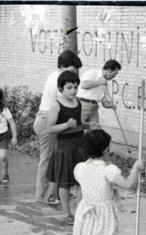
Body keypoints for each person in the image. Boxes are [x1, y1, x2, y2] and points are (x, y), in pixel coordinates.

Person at [64, 129, 144, 235]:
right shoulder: (109, 170)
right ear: (106, 149)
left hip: (84, 213)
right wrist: (136, 169)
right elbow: (128, 184)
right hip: (103, 214)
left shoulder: (79, 168)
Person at [33, 50, 82, 205]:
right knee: (46, 159)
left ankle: (56, 193)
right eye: (72, 70)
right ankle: (42, 196)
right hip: (47, 118)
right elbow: (63, 104)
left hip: (46, 116)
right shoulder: (58, 80)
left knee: (55, 159)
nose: (73, 74)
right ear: (62, 66)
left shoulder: (54, 75)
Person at [46, 71, 84, 225]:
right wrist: (67, 125)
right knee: (65, 182)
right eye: (69, 87)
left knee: (82, 181)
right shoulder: (56, 105)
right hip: (64, 148)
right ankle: (67, 213)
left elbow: (79, 124)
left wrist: (89, 126)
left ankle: (81, 210)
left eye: (75, 87)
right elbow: (50, 128)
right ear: (61, 88)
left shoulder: (78, 102)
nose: (73, 90)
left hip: (79, 147)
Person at [77, 59, 121, 126]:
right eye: (114, 74)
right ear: (109, 70)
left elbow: (103, 100)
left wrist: (109, 105)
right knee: (79, 128)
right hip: (83, 105)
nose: (114, 76)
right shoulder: (92, 73)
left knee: (95, 131)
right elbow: (83, 85)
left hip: (94, 108)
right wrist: (99, 82)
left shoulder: (105, 83)